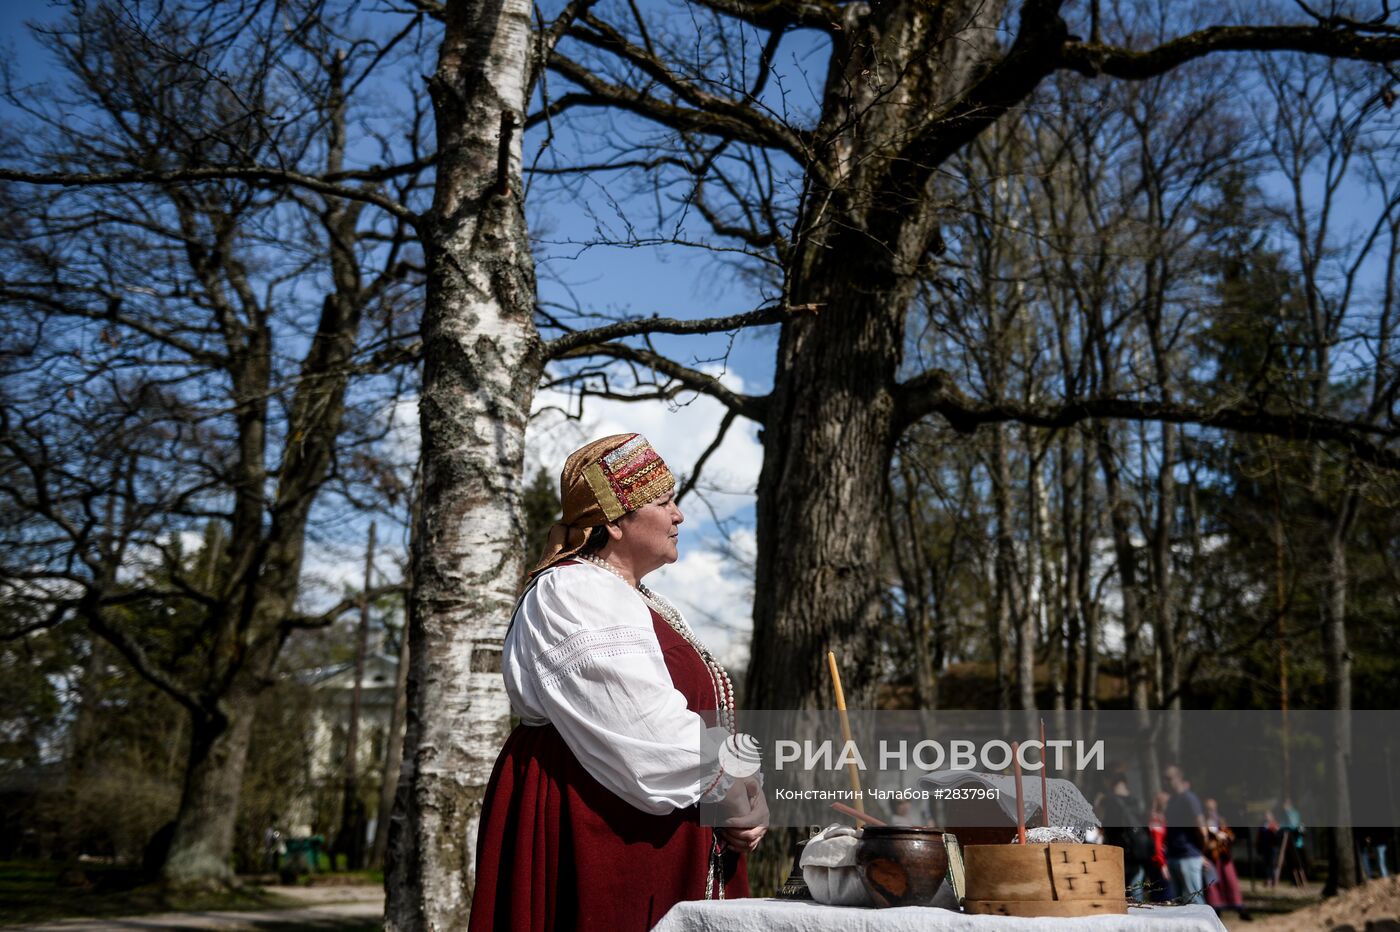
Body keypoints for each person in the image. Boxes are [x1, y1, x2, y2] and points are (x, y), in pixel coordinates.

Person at [468, 434, 767, 931]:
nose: (679, 516)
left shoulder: (633, 598)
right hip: (602, 826)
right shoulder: (575, 588)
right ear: (612, 521)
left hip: (646, 822)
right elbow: (642, 724)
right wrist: (734, 790)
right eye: (663, 501)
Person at [1096, 775, 1153, 902]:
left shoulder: (1110, 802)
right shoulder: (1136, 802)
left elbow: (1102, 824)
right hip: (1137, 851)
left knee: (1119, 887)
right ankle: (1139, 914)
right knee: (1136, 887)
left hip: (1118, 850)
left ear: (1113, 786)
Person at [1163, 764, 1209, 905]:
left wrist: (1201, 852)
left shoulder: (1189, 798)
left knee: (1195, 901)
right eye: (1164, 779)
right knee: (1178, 903)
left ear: (1179, 778)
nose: (1166, 782)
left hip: (1189, 856)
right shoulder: (1171, 801)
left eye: (1169, 778)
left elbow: (1201, 827)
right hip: (1173, 856)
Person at [1202, 797, 1251, 920]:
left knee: (1230, 882)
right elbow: (1203, 842)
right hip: (1211, 859)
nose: (1211, 811)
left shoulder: (1221, 821)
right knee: (1213, 885)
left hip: (1224, 858)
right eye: (1208, 809)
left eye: (1213, 808)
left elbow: (1230, 835)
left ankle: (1239, 908)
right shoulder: (1203, 823)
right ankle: (1216, 909)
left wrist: (1227, 838)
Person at [1149, 790, 1175, 902]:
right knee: (1164, 893)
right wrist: (1162, 865)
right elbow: (1157, 844)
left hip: (1160, 858)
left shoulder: (1160, 818)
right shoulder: (1155, 819)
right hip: (1159, 860)